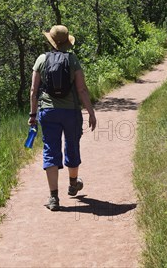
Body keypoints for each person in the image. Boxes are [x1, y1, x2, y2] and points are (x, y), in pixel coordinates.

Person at [28, 25, 97, 211]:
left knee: (51, 150)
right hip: (71, 112)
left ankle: (53, 198)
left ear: (51, 40)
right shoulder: (72, 60)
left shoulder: (41, 59)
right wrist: (91, 112)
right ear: (67, 41)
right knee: (72, 145)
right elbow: (82, 89)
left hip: (48, 112)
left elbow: (34, 91)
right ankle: (73, 184)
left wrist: (33, 115)